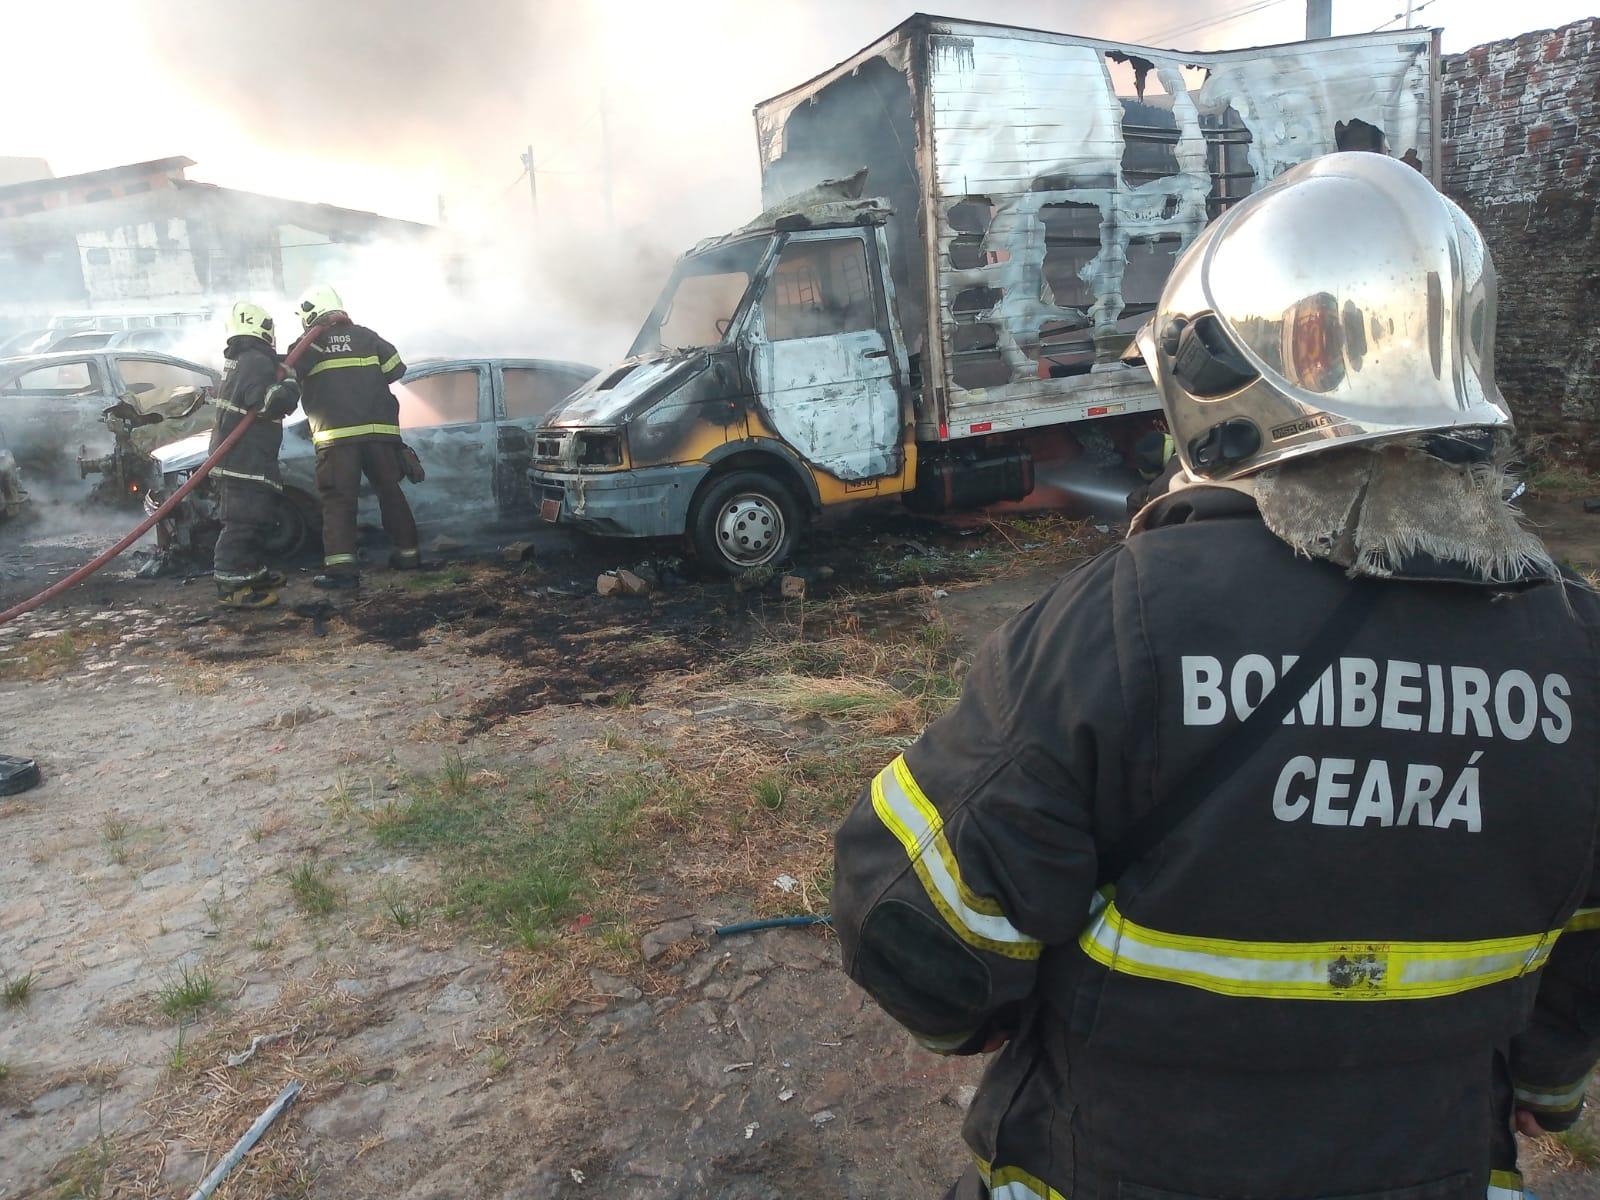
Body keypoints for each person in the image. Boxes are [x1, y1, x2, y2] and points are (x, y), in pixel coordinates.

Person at [832, 152, 1600, 1200]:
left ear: (1217, 383)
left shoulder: (1117, 624)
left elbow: (913, 931)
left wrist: (1011, 1018)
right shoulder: (1578, 653)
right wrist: (1547, 1089)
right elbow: (1581, 964)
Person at [292, 284, 420, 589]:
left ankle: (342, 571)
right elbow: (396, 369)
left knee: (338, 501)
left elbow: (287, 376)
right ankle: (409, 554)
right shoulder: (367, 336)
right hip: (380, 434)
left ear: (309, 313)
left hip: (337, 439)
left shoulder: (308, 344)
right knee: (390, 491)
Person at [210, 301, 300, 609]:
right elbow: (270, 402)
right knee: (242, 523)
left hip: (240, 457)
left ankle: (252, 571)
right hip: (244, 460)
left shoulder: (241, 359)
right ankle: (231, 585)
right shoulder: (255, 362)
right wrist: (289, 381)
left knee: (257, 519)